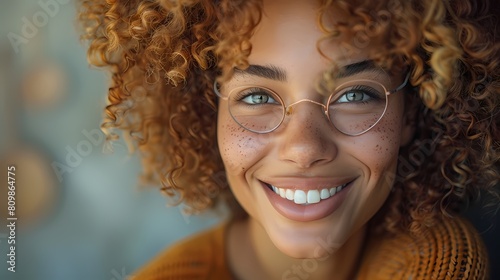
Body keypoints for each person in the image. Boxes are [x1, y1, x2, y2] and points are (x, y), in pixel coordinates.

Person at [78, 0, 499, 279]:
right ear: (210, 114)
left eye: (355, 95)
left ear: (411, 111)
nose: (304, 148)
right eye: (257, 97)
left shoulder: (442, 261)